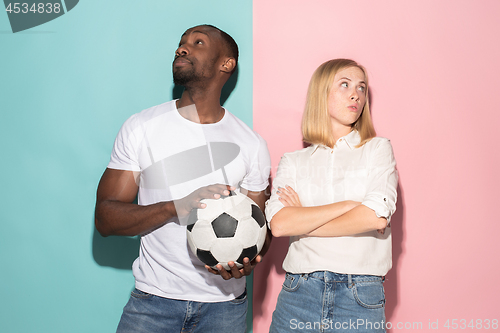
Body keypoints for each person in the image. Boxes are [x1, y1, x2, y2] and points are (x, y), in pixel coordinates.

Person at [95, 25, 271, 333]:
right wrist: (175, 207)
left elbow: (261, 230)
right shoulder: (142, 127)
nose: (182, 48)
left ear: (225, 64)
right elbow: (105, 219)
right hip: (153, 303)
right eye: (181, 43)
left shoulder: (251, 144)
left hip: (225, 310)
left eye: (197, 42)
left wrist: (247, 260)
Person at [266, 59, 398, 333]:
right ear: (321, 93)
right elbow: (279, 225)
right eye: (345, 85)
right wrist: (349, 206)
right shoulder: (293, 161)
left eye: (362, 88)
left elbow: (375, 216)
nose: (356, 94)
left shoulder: (377, 149)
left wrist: (304, 221)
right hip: (298, 294)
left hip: (360, 296)